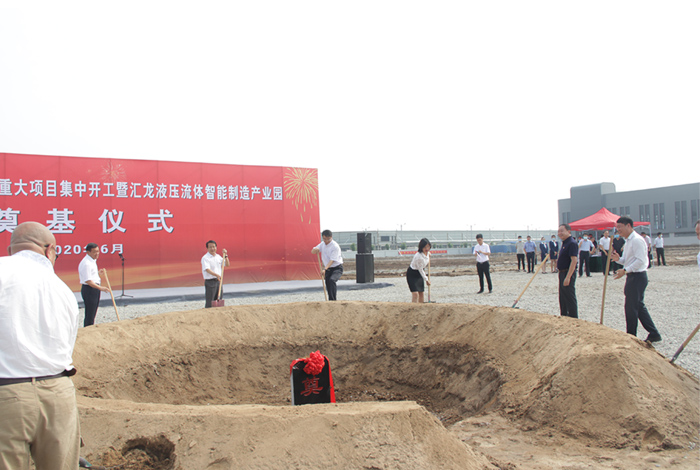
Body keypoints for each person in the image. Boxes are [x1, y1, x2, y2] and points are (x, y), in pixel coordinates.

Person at [0, 222, 81, 469]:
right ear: (50, 250)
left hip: (7, 395)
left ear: (11, 249)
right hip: (58, 393)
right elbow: (66, 347)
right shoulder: (62, 289)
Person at [612, 217, 661, 342]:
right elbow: (627, 260)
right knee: (638, 306)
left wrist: (625, 270)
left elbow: (640, 261)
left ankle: (631, 335)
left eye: (620, 227)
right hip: (633, 276)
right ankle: (654, 333)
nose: (618, 230)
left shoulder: (637, 240)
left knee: (631, 308)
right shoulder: (628, 241)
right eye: (617, 227)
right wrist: (618, 259)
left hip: (638, 276)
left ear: (628, 225)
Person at [78, 242, 111, 326]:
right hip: (89, 289)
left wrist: (98, 273)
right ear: (88, 252)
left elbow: (90, 275)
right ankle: (88, 328)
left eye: (98, 251)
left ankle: (90, 327)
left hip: (93, 289)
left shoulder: (92, 260)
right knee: (90, 313)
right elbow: (88, 281)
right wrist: (101, 288)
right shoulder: (86, 263)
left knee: (93, 312)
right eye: (94, 252)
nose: (97, 253)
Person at [311, 230, 344, 301]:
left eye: (328, 239)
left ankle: (333, 300)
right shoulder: (322, 244)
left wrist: (324, 269)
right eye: (324, 239)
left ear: (331, 237)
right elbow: (313, 251)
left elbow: (332, 260)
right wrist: (315, 249)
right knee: (328, 283)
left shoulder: (335, 246)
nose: (326, 241)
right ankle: (330, 301)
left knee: (332, 280)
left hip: (337, 268)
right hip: (328, 269)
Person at [557, 223, 579, 318]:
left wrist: (568, 277)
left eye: (562, 231)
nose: (560, 233)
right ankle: (564, 316)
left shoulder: (572, 243)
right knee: (563, 297)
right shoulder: (564, 243)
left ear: (568, 231)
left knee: (569, 296)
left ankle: (573, 317)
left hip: (567, 272)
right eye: (558, 231)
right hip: (562, 272)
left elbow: (574, 260)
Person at [201, 240, 230, 308]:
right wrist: (216, 275)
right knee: (210, 301)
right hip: (210, 281)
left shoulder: (218, 257)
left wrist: (226, 256)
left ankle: (218, 312)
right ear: (207, 248)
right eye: (210, 247)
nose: (212, 249)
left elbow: (227, 264)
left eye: (214, 247)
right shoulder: (205, 258)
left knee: (219, 299)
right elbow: (207, 269)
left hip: (218, 281)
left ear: (216, 247)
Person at [407, 238, 431, 302]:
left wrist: (429, 255)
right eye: (425, 247)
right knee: (415, 294)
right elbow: (420, 270)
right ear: (421, 247)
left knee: (421, 293)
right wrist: (426, 280)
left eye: (428, 246)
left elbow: (428, 255)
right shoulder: (419, 257)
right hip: (412, 273)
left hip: (419, 274)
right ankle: (414, 307)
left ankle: (421, 307)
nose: (426, 249)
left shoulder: (427, 253)